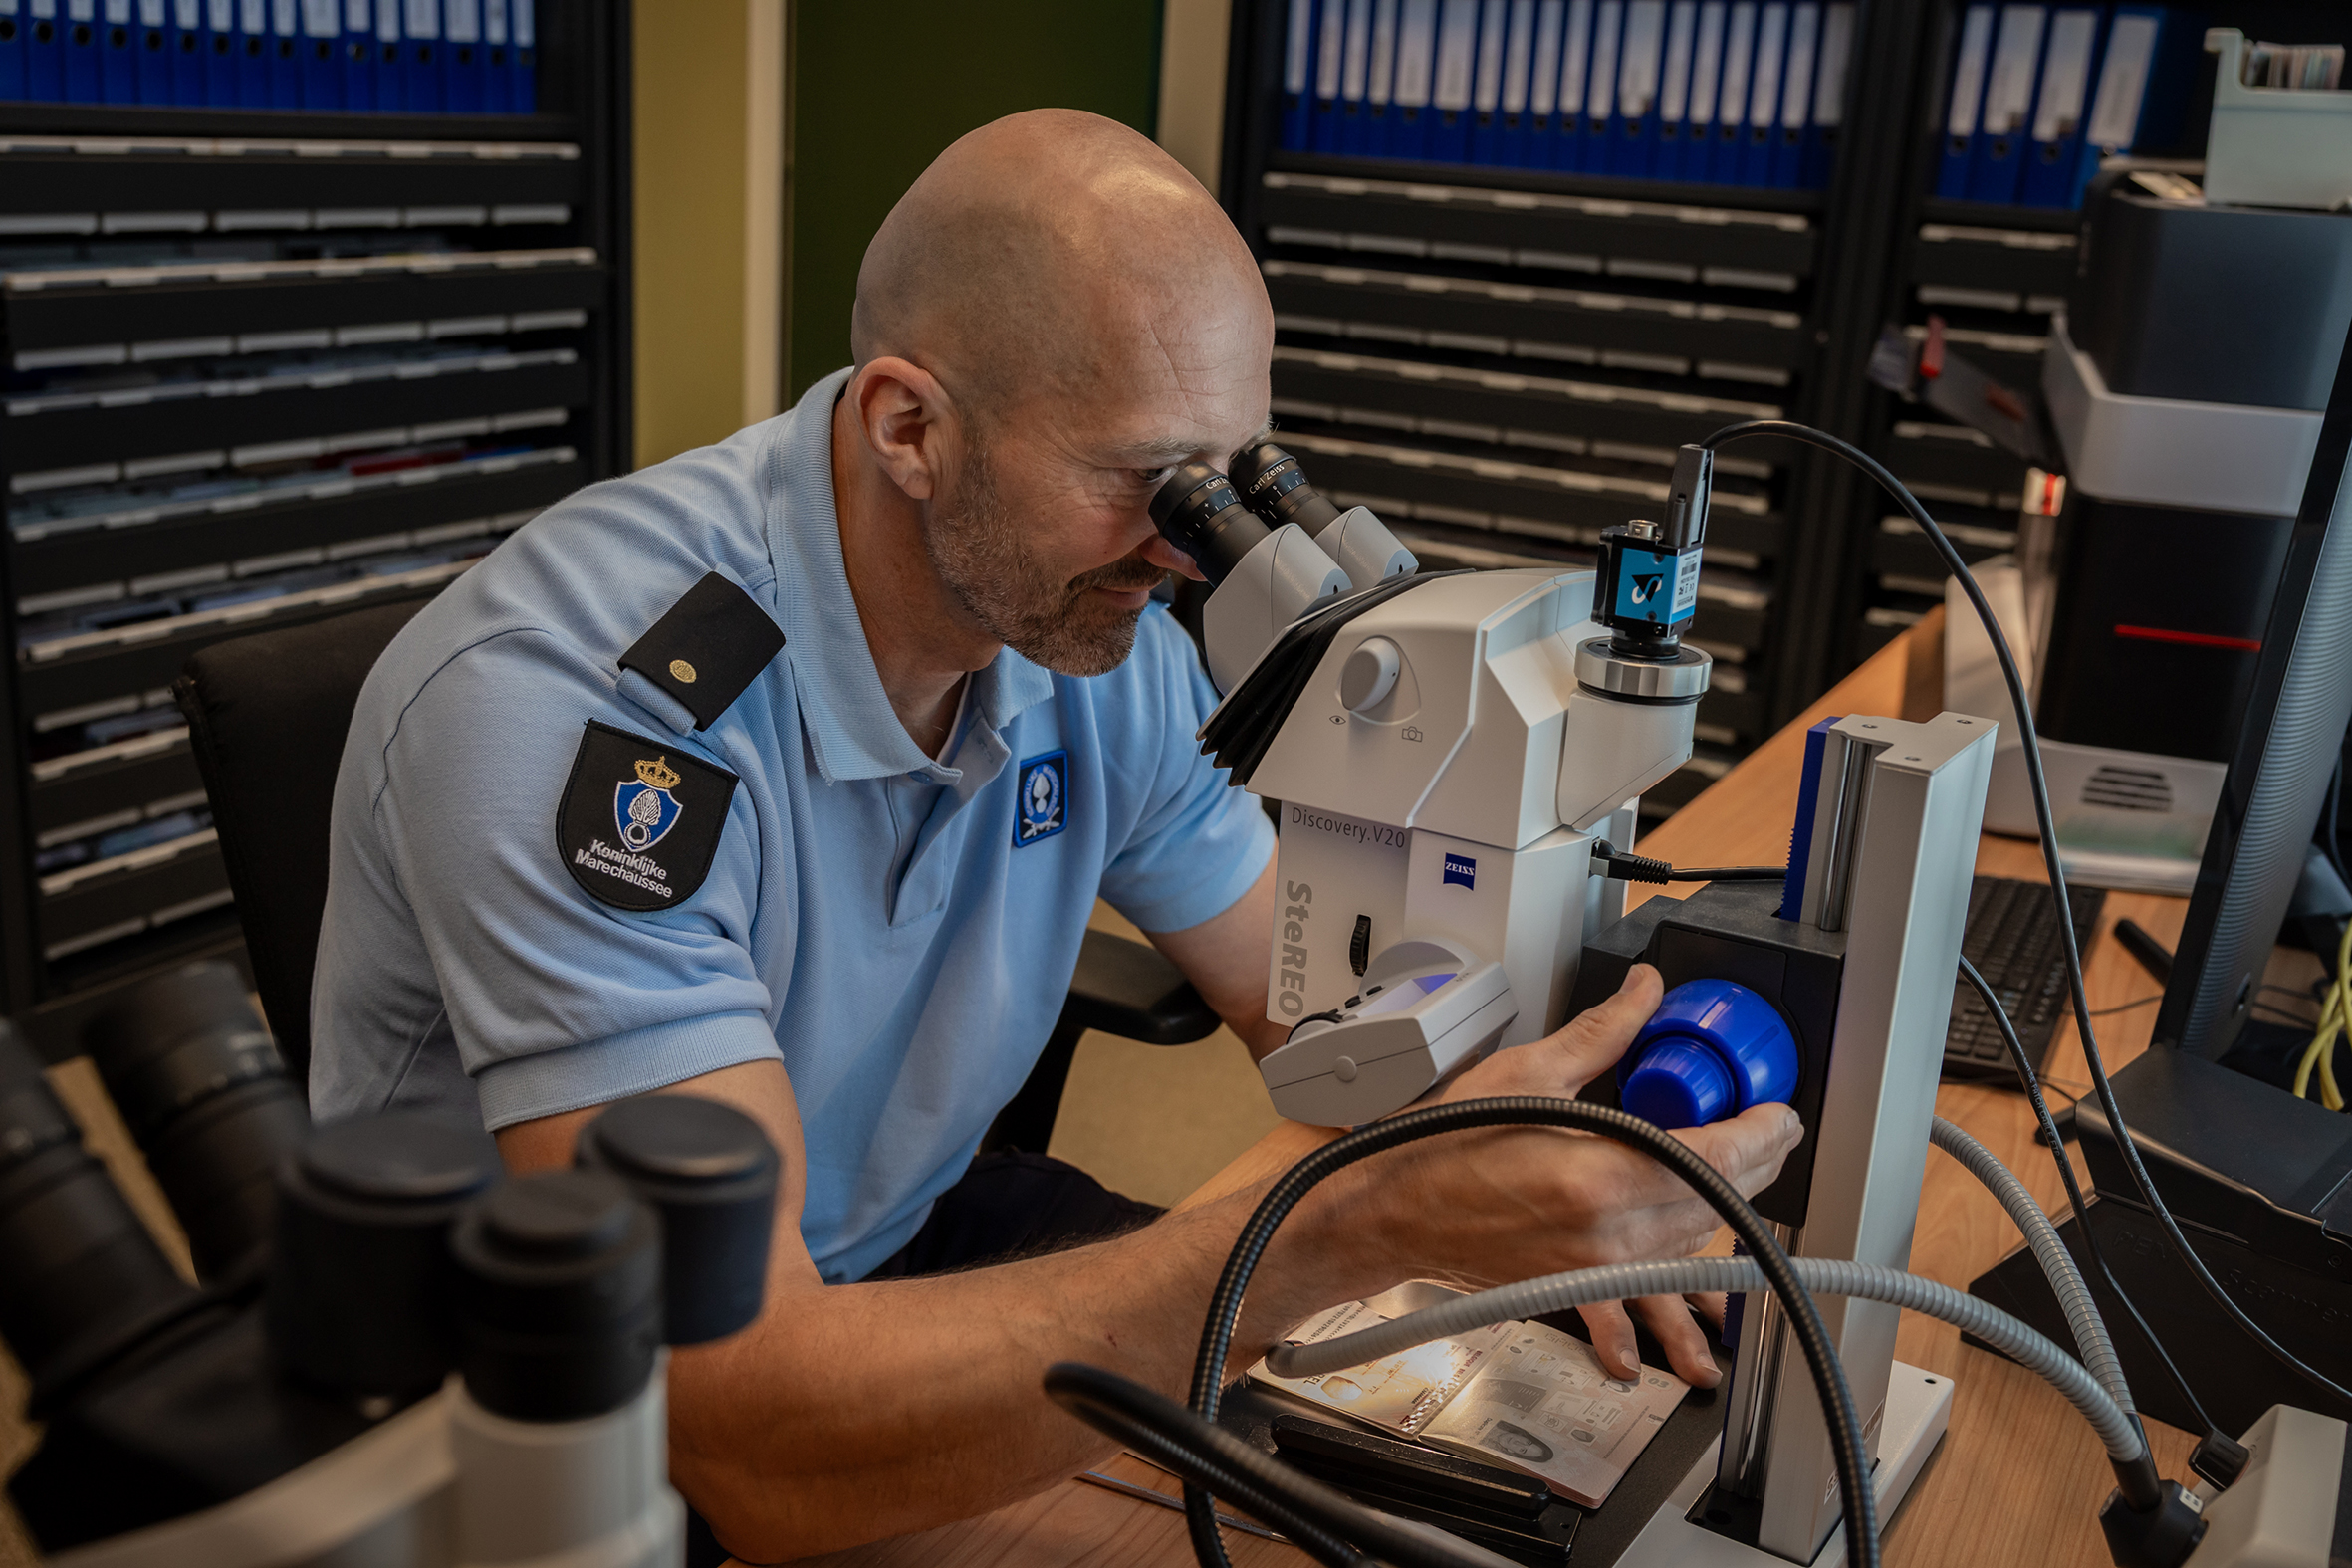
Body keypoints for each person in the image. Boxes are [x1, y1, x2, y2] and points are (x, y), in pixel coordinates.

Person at [310, 109, 1799, 1560]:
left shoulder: (1093, 637)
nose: (1191, 550)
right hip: (552, 1403)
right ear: (909, 427)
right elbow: (744, 1438)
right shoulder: (583, 714)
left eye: (1225, 483)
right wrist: (1354, 1227)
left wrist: (1540, 1176)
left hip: (902, 1235)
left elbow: (1314, 1016)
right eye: (1146, 480)